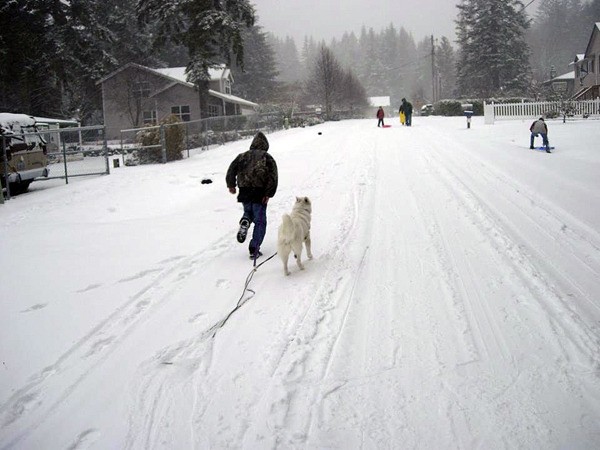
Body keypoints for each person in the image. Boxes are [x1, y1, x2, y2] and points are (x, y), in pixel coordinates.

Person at [226, 131, 278, 259]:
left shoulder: (242, 156)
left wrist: (231, 185)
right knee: (260, 221)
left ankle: (246, 220)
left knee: (248, 211)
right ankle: (254, 248)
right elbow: (273, 177)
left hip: (244, 190)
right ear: (265, 145)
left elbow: (231, 169)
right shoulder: (267, 157)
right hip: (259, 192)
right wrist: (269, 193)